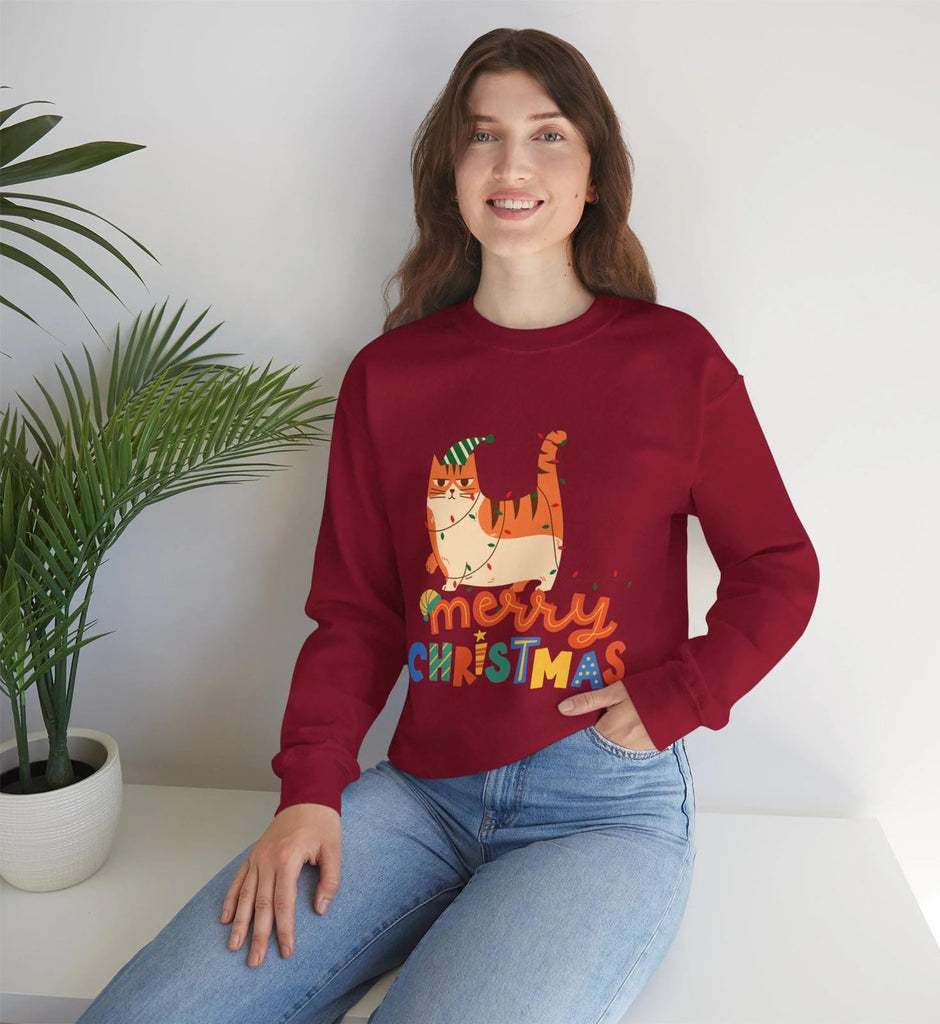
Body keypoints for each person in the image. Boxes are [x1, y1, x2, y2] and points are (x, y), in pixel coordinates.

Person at [80, 27, 819, 1024]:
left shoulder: (672, 362)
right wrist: (310, 787)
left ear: (593, 173)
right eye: (483, 136)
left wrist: (681, 691)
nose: (513, 164)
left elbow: (778, 566)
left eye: (547, 135)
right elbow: (358, 613)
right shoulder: (391, 377)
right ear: (452, 172)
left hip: (600, 808)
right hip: (420, 793)